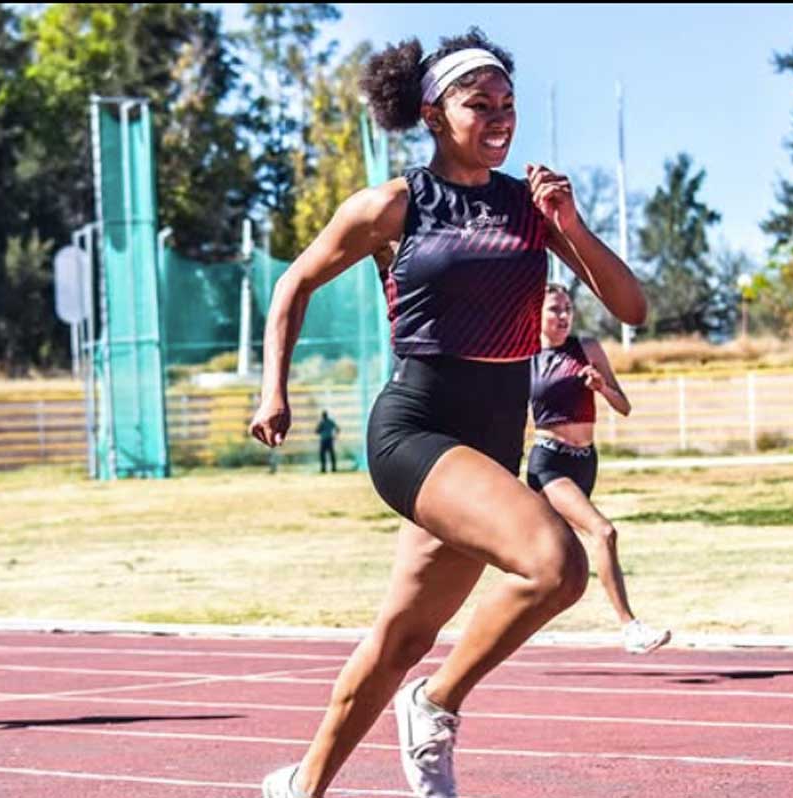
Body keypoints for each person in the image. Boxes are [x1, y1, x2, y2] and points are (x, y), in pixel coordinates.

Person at [251, 28, 646, 798]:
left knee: (402, 636)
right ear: (433, 113)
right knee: (557, 565)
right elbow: (293, 283)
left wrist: (568, 223)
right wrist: (275, 388)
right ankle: (434, 704)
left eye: (508, 104)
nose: (499, 118)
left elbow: (629, 304)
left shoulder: (530, 208)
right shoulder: (395, 204)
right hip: (417, 430)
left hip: (492, 443)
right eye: (479, 104)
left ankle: (302, 786)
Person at [529, 284, 670, 654]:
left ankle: (509, 625)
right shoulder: (523, 358)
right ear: (536, 315)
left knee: (554, 564)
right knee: (603, 533)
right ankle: (631, 628)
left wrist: (602, 387)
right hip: (548, 462)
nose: (562, 317)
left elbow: (623, 406)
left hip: (586, 462)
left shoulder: (587, 347)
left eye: (567, 309)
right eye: (554, 310)